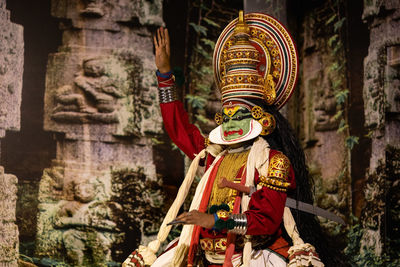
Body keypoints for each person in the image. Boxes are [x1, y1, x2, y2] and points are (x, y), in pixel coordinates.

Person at [124, 11, 329, 267]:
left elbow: (265, 221)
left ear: (260, 119)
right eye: (226, 117)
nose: (230, 125)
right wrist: (165, 76)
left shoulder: (274, 163)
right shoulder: (212, 156)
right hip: (202, 252)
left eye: (239, 116)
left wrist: (216, 221)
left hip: (251, 252)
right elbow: (179, 130)